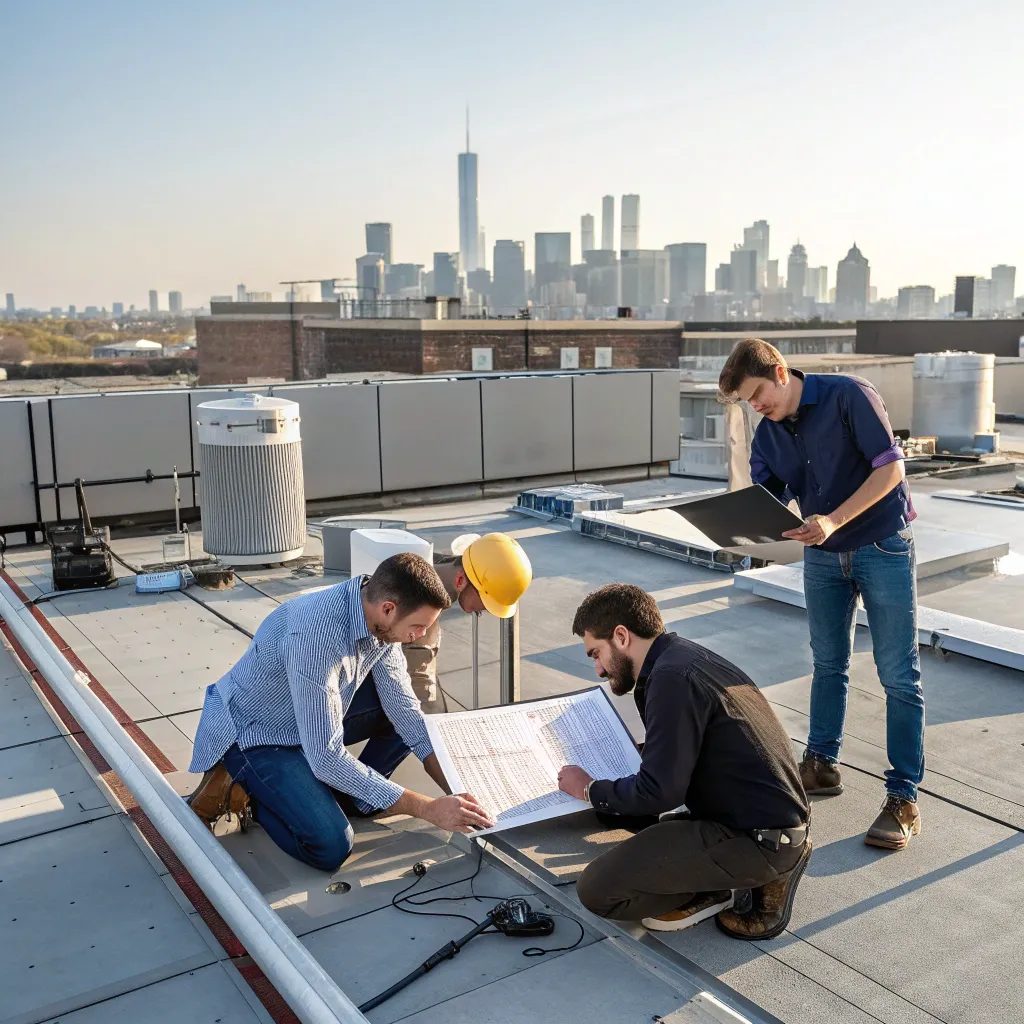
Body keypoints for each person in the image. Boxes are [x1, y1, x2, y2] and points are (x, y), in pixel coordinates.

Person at [718, 338, 925, 851]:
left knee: (898, 675)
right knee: (828, 664)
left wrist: (833, 519)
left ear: (781, 372)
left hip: (882, 545)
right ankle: (822, 765)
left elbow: (891, 468)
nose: (757, 406)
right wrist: (735, 525)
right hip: (822, 558)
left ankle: (903, 798)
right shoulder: (766, 437)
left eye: (759, 393)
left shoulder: (849, 394)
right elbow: (769, 502)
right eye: (748, 401)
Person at [186, 553, 495, 870]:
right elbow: (326, 756)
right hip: (257, 734)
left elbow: (407, 715)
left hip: (304, 718)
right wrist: (427, 808)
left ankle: (355, 796)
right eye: (417, 628)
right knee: (331, 846)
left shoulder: (379, 617)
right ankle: (249, 789)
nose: (417, 637)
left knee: (404, 717)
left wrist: (461, 796)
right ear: (388, 608)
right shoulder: (315, 637)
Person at [557, 584, 811, 938]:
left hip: (759, 840)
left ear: (621, 636)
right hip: (754, 819)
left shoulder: (670, 679)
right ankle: (717, 874)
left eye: (596, 653)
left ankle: (742, 879)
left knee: (598, 890)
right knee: (619, 812)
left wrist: (588, 789)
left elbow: (660, 793)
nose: (598, 669)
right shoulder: (681, 658)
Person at [401, 533, 533, 707]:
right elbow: (419, 681)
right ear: (461, 579)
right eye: (486, 602)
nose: (487, 609)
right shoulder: (421, 605)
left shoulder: (438, 568)